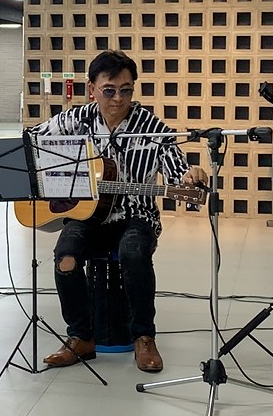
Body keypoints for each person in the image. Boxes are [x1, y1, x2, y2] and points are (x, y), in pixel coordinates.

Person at [36, 50, 208, 373]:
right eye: (109, 90)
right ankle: (80, 337)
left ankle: (143, 336)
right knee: (65, 257)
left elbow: (177, 170)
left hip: (136, 216)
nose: (118, 99)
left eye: (126, 90)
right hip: (87, 216)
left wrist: (190, 177)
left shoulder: (150, 127)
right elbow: (33, 142)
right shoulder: (76, 120)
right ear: (92, 89)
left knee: (133, 252)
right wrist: (57, 181)